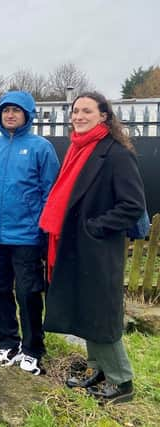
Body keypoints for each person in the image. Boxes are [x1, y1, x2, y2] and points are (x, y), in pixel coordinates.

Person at [40, 92, 145, 404]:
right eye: (75, 111)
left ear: (104, 116)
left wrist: (95, 227)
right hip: (75, 245)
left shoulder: (115, 154)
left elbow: (133, 205)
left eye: (87, 111)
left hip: (97, 248)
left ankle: (121, 381)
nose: (79, 116)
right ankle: (99, 370)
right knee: (85, 308)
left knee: (100, 313)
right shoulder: (78, 148)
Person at [0, 90, 60, 375]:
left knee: (28, 293)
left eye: (16, 110)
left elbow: (52, 191)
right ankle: (7, 342)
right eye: (5, 110)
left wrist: (43, 228)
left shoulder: (41, 148)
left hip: (26, 235)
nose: (10, 114)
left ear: (28, 114)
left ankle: (32, 348)